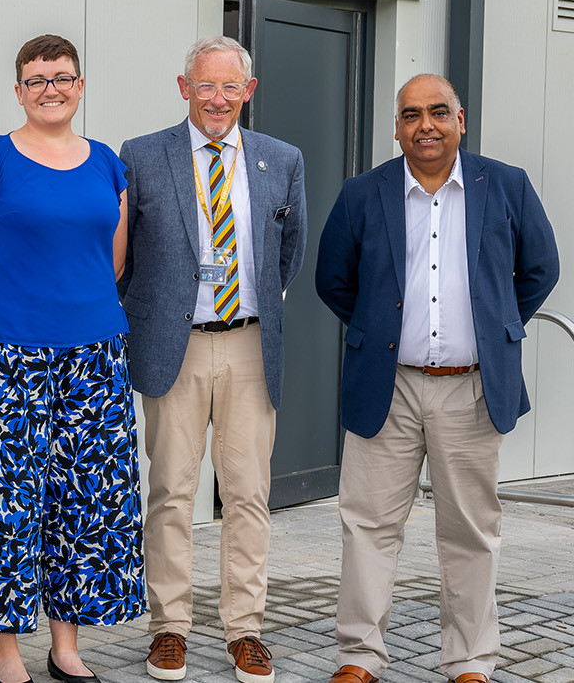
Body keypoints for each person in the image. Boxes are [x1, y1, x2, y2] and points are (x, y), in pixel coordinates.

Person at [316, 73, 558, 683]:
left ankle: (470, 661)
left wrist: (492, 325)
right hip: (387, 386)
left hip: (472, 388)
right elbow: (334, 281)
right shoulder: (362, 193)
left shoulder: (505, 185)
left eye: (438, 112)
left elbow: (539, 269)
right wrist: (382, 334)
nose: (425, 125)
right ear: (397, 125)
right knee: (368, 525)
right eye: (410, 114)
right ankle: (359, 656)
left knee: (471, 531)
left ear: (461, 120)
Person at [0, 34, 143, 683]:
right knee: (4, 502)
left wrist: (73, 312)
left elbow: (111, 262)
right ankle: (6, 653)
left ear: (80, 85)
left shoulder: (108, 165)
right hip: (7, 361)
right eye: (36, 79)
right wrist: (11, 320)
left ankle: (66, 646)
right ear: (18, 91)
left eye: (61, 77)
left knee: (85, 503)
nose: (50, 88)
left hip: (95, 356)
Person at [117, 35, 306, 683]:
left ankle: (244, 630)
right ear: (183, 88)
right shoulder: (142, 157)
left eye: (230, 87)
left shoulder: (282, 160)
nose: (218, 99)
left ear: (247, 92)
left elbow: (288, 254)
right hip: (177, 346)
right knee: (170, 491)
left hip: (251, 345)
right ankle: (169, 627)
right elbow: (125, 259)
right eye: (205, 86)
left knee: (249, 494)